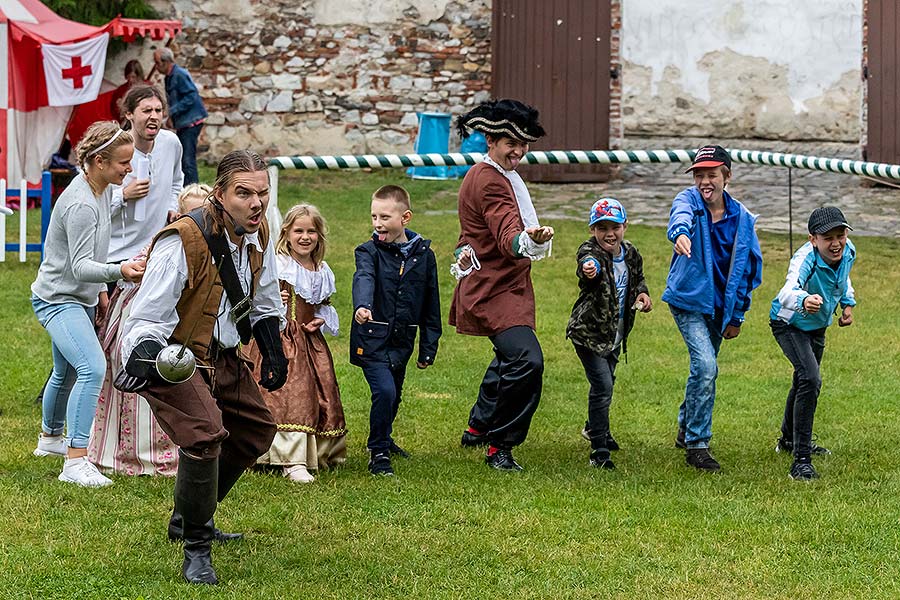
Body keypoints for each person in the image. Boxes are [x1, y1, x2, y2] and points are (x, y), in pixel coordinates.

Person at [119, 150, 287, 585]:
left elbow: (265, 297)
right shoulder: (183, 240)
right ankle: (196, 545)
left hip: (225, 355)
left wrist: (272, 347)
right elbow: (144, 320)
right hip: (174, 355)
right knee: (205, 434)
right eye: (244, 193)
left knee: (254, 430)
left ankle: (188, 517)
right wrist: (152, 361)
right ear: (220, 193)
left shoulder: (260, 232)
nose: (256, 204)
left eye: (262, 194)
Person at [30, 121, 145, 487]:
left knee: (64, 373)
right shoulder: (81, 203)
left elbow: (92, 247)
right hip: (57, 300)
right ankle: (76, 461)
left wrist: (99, 293)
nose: (129, 170)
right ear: (98, 161)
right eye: (123, 163)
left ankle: (50, 441)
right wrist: (120, 272)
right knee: (92, 367)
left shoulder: (98, 192)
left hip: (78, 297)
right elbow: (80, 266)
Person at [449, 98, 553, 472]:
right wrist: (528, 240)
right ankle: (500, 446)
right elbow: (507, 229)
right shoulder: (489, 181)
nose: (519, 151)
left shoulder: (499, 174)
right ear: (491, 140)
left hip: (508, 284)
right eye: (512, 143)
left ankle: (478, 425)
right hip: (491, 289)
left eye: (523, 145)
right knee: (527, 360)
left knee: (511, 355)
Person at [88, 184, 211, 477]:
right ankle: (129, 451)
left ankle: (176, 447)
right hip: (144, 319)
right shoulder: (166, 243)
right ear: (177, 215)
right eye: (189, 212)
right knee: (139, 375)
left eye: (201, 212)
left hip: (183, 324)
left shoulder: (212, 248)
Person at [664, 144, 763, 473]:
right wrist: (679, 234)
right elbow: (678, 215)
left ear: (727, 176)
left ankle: (684, 426)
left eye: (712, 175)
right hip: (688, 300)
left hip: (722, 308)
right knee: (706, 367)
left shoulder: (744, 220)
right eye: (699, 175)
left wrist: (737, 315)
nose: (705, 182)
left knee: (701, 370)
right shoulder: (689, 202)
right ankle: (697, 444)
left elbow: (750, 270)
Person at [247, 204, 347, 483]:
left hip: (308, 340)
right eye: (298, 231)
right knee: (289, 392)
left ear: (319, 235)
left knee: (320, 389)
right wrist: (276, 299)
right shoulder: (280, 264)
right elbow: (257, 297)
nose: (305, 237)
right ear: (287, 234)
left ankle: (318, 452)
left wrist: (320, 320)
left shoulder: (321, 269)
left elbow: (322, 305)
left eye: (311, 231)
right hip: (279, 337)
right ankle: (288, 457)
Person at [350, 185, 441, 476]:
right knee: (385, 392)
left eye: (385, 217)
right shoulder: (368, 251)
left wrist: (428, 346)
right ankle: (377, 452)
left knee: (396, 394)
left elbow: (430, 303)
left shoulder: (424, 256)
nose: (377, 223)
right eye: (374, 216)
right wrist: (362, 305)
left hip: (402, 340)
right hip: (372, 338)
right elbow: (363, 277)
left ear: (405, 218)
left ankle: (385, 438)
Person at [769, 206, 856, 481]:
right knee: (810, 379)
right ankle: (801, 461)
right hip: (789, 323)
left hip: (817, 325)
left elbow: (843, 277)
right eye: (827, 237)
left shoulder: (848, 250)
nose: (836, 243)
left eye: (840, 235)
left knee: (803, 380)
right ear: (812, 239)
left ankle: (788, 441)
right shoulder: (804, 258)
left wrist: (847, 303)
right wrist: (803, 300)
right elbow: (786, 293)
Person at [566, 198, 652, 469]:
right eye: (601, 227)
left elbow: (639, 279)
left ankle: (594, 427)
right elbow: (586, 264)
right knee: (602, 386)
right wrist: (589, 268)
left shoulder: (631, 253)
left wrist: (643, 294)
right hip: (588, 334)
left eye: (614, 226)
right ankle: (599, 452)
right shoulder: (590, 251)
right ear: (592, 230)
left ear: (624, 226)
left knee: (608, 383)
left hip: (616, 335)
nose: (609, 234)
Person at [108, 85, 184, 273]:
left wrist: (172, 208)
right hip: (116, 256)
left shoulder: (171, 143)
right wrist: (124, 195)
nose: (154, 116)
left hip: (156, 252)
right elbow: (95, 210)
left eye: (158, 110)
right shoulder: (113, 151)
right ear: (129, 114)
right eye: (146, 110)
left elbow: (176, 181)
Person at [153, 47, 207, 185]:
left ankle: (194, 191)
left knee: (188, 159)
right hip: (184, 122)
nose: (156, 67)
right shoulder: (169, 77)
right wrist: (171, 118)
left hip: (191, 122)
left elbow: (191, 96)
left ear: (165, 62)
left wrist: (171, 111)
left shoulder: (179, 74)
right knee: (184, 158)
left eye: (157, 63)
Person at [110, 59, 147, 125]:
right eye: (128, 77)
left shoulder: (148, 88)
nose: (130, 80)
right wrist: (119, 108)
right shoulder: (120, 91)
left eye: (133, 77)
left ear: (139, 75)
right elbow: (113, 110)